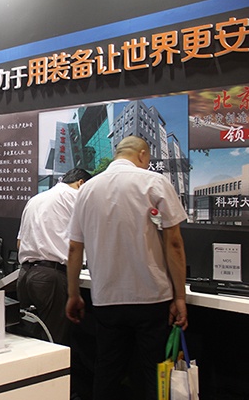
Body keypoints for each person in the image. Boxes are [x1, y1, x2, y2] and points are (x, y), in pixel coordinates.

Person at [65, 136, 188, 400]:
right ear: (142, 154)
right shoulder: (154, 182)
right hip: (152, 297)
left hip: (106, 299)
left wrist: (73, 294)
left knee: (107, 370)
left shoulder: (87, 189)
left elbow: (74, 248)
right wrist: (180, 297)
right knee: (153, 372)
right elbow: (174, 243)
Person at [16, 167, 92, 345]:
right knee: (54, 341)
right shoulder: (75, 197)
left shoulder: (35, 199)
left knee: (28, 339)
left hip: (24, 275)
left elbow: (19, 242)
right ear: (81, 183)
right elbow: (79, 243)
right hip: (51, 277)